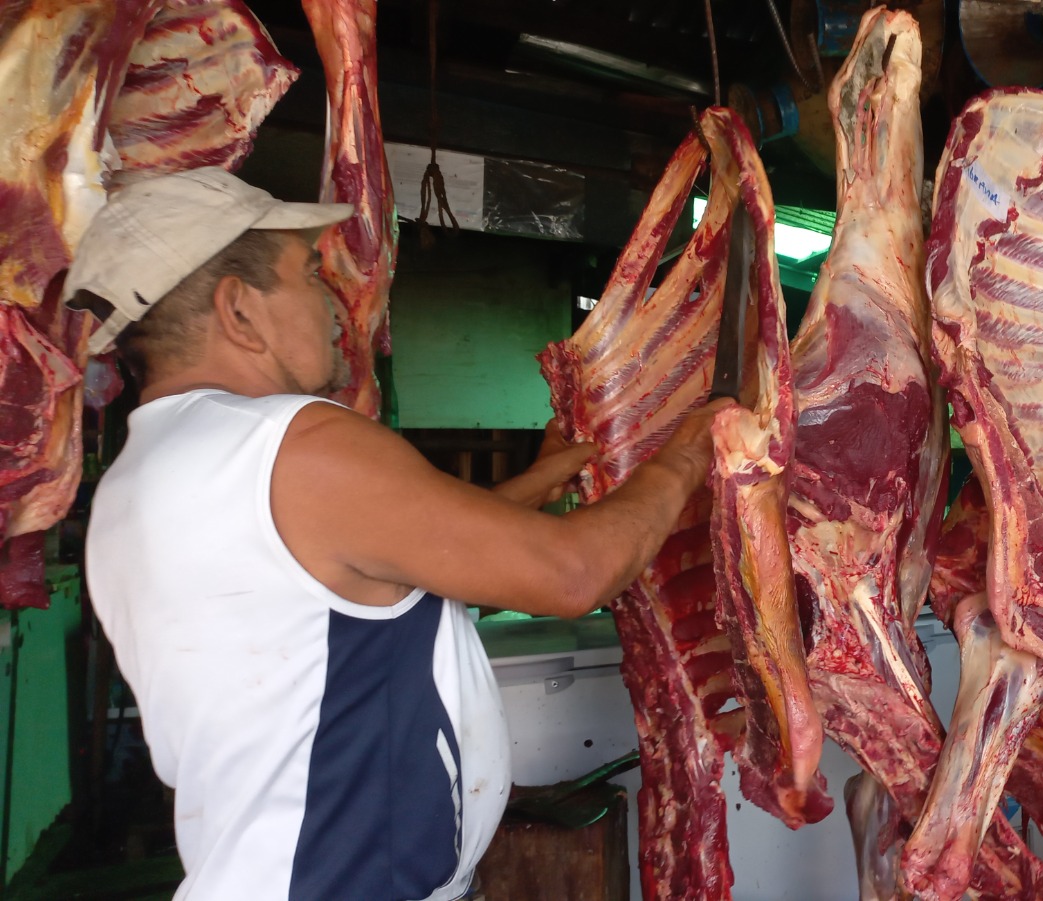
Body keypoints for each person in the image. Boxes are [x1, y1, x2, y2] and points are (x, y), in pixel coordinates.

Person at [66, 167, 729, 900]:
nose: (333, 309)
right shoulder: (295, 445)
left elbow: (363, 573)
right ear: (240, 310)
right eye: (309, 278)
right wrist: (690, 452)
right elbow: (574, 575)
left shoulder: (142, 476)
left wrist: (534, 487)